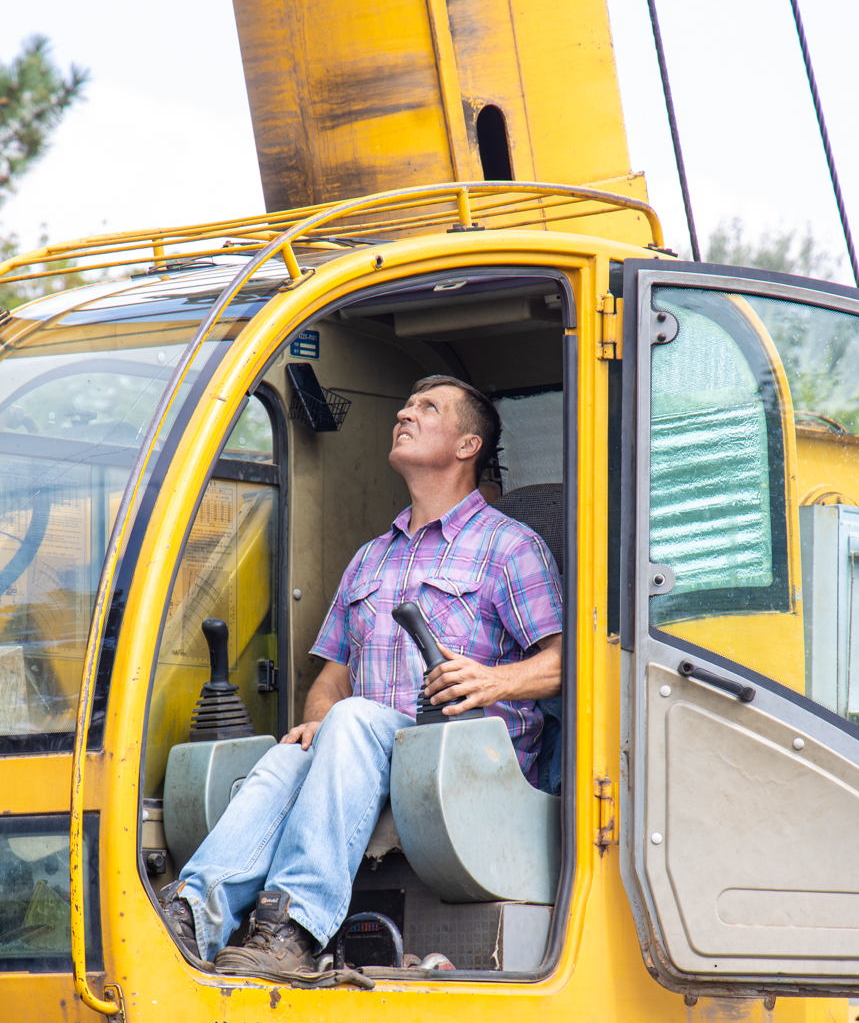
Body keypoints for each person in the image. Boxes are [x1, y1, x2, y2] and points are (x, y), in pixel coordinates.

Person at [158, 374, 564, 977]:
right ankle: (193, 915)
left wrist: (493, 682)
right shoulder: (370, 557)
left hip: (473, 762)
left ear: (467, 445)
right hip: (369, 748)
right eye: (405, 402)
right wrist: (315, 723)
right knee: (288, 754)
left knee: (349, 722)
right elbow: (332, 677)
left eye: (428, 408)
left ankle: (296, 925)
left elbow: (561, 664)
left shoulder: (510, 546)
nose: (405, 412)